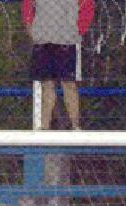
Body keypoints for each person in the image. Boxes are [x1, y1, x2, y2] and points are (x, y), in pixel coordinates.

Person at [23, 0, 95, 130]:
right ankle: (44, 127)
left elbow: (87, 6)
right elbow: (28, 5)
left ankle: (75, 127)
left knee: (69, 84)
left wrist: (77, 30)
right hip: (43, 40)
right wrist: (31, 28)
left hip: (66, 41)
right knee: (47, 84)